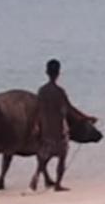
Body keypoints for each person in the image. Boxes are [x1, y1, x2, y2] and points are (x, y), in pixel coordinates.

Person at [30, 59, 96, 192]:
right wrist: (87, 118)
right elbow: (70, 109)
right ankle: (58, 185)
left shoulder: (42, 91)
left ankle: (37, 174)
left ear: (46, 72)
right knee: (61, 158)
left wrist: (36, 126)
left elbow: (37, 110)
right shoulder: (60, 92)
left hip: (46, 130)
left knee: (44, 157)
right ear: (58, 73)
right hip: (59, 130)